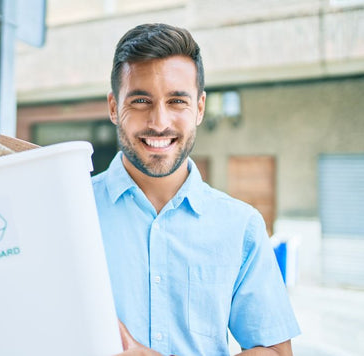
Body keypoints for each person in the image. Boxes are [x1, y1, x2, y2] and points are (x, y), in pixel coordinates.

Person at [92, 23, 301, 355]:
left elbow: (276, 351)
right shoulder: (70, 211)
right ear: (114, 108)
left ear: (200, 108)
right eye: (141, 100)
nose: (159, 122)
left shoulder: (240, 226)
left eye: (177, 101)